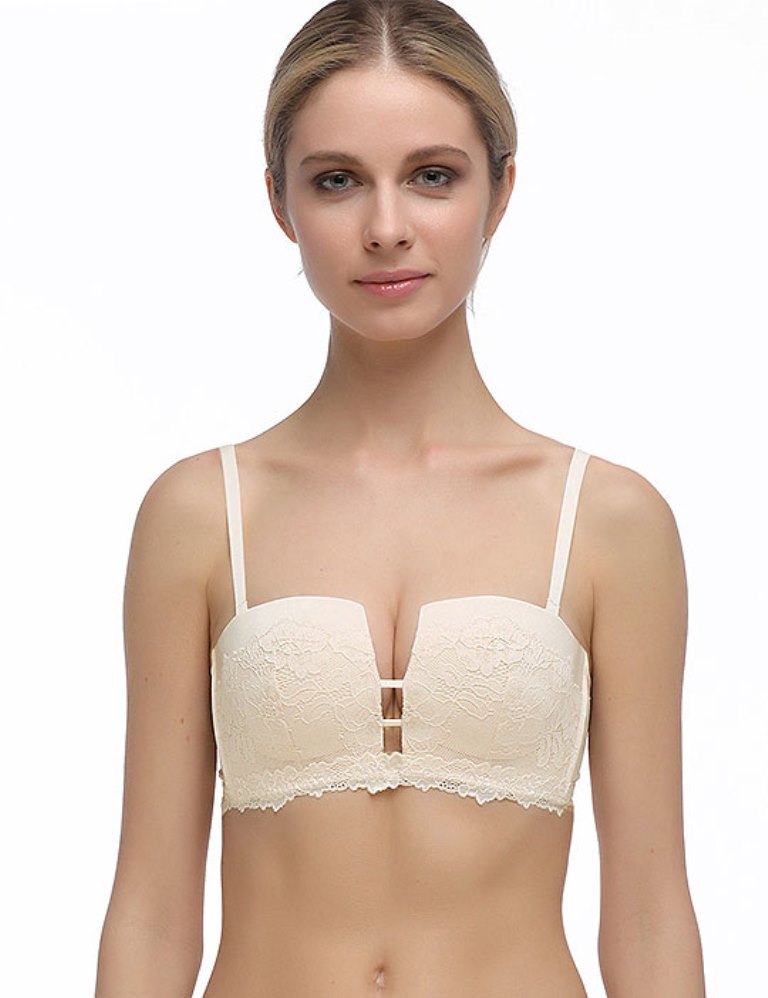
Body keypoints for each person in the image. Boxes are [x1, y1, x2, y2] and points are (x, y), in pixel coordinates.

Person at [96, 1, 706, 994]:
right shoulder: (201, 515)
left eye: (433, 176)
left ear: (499, 192)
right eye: (337, 181)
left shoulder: (608, 523)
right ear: (280, 202)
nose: (386, 229)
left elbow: (649, 912)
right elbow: (152, 913)